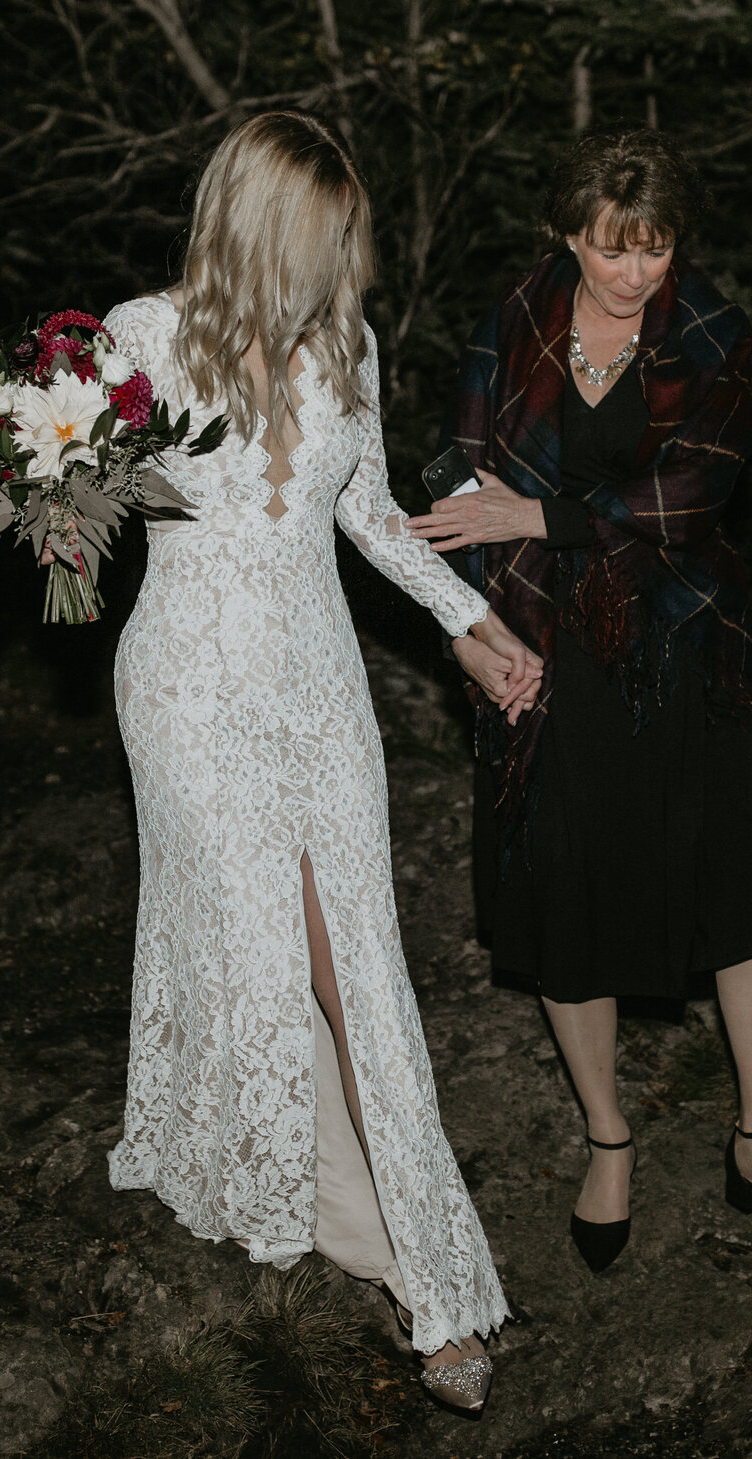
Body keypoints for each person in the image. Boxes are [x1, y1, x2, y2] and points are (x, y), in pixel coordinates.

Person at [101, 111, 539, 1412]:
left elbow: (369, 512)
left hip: (316, 680)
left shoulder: (343, 339)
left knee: (358, 964)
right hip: (187, 681)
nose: (347, 266)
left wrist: (473, 623)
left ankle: (435, 1266)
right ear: (259, 230)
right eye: (327, 240)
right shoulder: (137, 338)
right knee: (267, 951)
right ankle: (402, 1263)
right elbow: (62, 486)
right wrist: (47, 502)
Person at [407, 129, 752, 1272]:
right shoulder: (510, 323)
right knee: (569, 887)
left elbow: (692, 493)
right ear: (567, 235)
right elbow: (451, 482)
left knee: (739, 876)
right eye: (609, 248)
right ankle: (609, 1137)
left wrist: (540, 514)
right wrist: (470, 634)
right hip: (544, 646)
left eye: (652, 248)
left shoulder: (712, 333)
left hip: (683, 634)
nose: (633, 273)